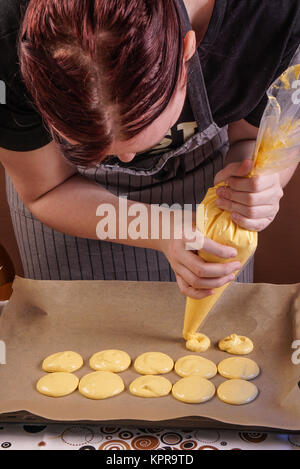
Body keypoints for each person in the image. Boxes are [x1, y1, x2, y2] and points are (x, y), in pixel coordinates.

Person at [0, 0, 299, 300]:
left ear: (187, 51)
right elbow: (46, 190)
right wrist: (160, 230)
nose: (125, 161)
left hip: (203, 183)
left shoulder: (271, 12)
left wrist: (258, 181)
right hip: (68, 196)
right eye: (87, 146)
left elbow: (250, 138)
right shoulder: (6, 30)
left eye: (139, 136)